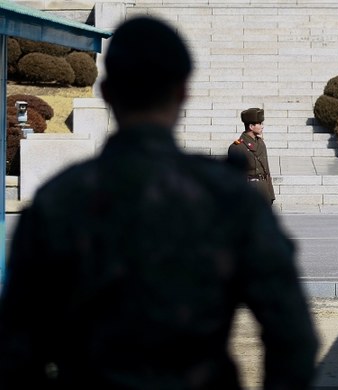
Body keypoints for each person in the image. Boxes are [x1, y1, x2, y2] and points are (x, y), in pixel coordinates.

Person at [0, 17, 318, 389]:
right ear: (183, 92)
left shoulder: (60, 199)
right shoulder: (226, 197)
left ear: (106, 92)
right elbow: (292, 334)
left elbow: (18, 348)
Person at [228, 107, 275, 204]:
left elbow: (266, 170)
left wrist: (270, 193)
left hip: (264, 190)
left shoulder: (261, 143)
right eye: (259, 124)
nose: (262, 126)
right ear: (251, 126)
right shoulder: (237, 147)